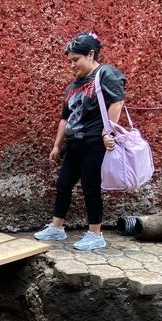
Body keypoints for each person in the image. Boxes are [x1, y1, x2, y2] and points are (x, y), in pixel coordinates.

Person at [35, 32, 126, 251]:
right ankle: (57, 228)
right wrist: (57, 145)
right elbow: (65, 117)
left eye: (76, 59)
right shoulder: (74, 84)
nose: (72, 65)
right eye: (70, 61)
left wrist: (108, 132)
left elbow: (117, 102)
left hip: (95, 141)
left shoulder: (105, 74)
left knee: (90, 186)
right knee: (64, 183)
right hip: (74, 142)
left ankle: (95, 233)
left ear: (91, 54)